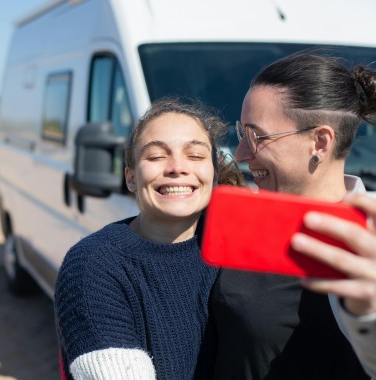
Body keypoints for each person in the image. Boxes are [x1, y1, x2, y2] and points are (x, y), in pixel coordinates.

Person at [210, 51, 376, 379]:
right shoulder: (252, 225)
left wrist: (372, 312)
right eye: (240, 133)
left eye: (256, 136)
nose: (242, 154)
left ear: (320, 142)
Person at [54, 97, 245, 379]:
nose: (177, 167)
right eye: (156, 156)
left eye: (195, 156)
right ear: (131, 178)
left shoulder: (237, 250)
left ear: (214, 176)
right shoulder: (94, 265)